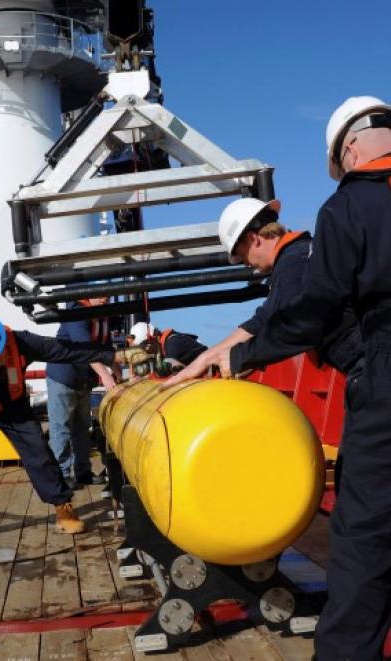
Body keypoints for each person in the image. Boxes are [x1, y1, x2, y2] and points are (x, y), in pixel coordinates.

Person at [219, 96, 391, 660]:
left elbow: (314, 310)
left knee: (363, 539)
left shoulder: (349, 207)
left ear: (349, 149)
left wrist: (246, 358)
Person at [0, 315, 149, 551]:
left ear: (1, 341)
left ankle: (63, 508)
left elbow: (66, 350)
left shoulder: (21, 341)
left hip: (13, 406)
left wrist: (114, 356)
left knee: (39, 452)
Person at [165, 197, 362, 387]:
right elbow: (262, 321)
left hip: (370, 364)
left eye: (243, 256)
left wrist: (239, 357)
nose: (248, 264)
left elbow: (296, 327)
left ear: (253, 239)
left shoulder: (295, 263)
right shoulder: (296, 259)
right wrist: (207, 357)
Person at [46, 297, 118, 490]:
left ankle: (83, 472)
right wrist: (106, 376)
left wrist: (120, 374)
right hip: (63, 377)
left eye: (107, 295)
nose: (104, 299)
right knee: (61, 427)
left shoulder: (102, 317)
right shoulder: (76, 314)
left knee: (82, 427)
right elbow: (86, 350)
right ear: (88, 295)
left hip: (83, 381)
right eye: (100, 294)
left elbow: (108, 351)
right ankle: (62, 475)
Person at [129, 321, 208, 369]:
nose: (145, 351)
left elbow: (172, 371)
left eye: (144, 346)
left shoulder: (173, 345)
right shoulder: (166, 346)